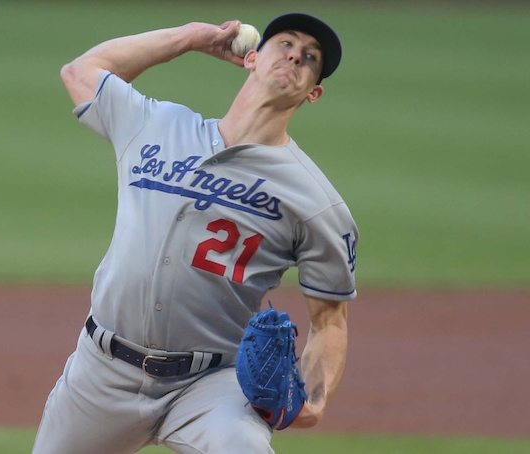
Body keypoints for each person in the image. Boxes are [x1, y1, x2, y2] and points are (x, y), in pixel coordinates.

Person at [32, 12, 358, 454]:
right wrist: (189, 37)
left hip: (211, 385)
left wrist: (314, 403)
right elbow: (82, 71)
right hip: (102, 372)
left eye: (310, 57)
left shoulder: (315, 201)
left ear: (313, 92)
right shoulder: (155, 126)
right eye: (286, 43)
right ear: (252, 58)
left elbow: (330, 322)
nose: (296, 56)